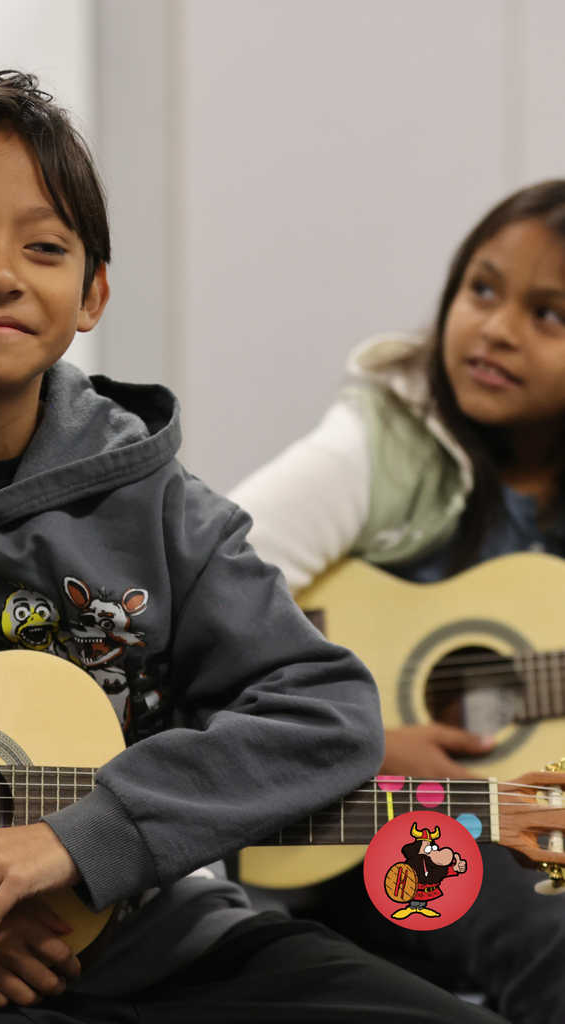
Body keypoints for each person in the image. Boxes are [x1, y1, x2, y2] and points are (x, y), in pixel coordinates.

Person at [0, 68, 506, 1024]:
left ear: (92, 291)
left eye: (44, 247)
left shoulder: (159, 500)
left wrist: (84, 839)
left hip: (148, 929)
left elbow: (325, 710)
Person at [230, 180, 565, 1024]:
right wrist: (364, 736)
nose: (494, 328)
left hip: (526, 817)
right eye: (481, 289)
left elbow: (504, 705)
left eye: (547, 315)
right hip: (359, 830)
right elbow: (208, 591)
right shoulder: (382, 442)